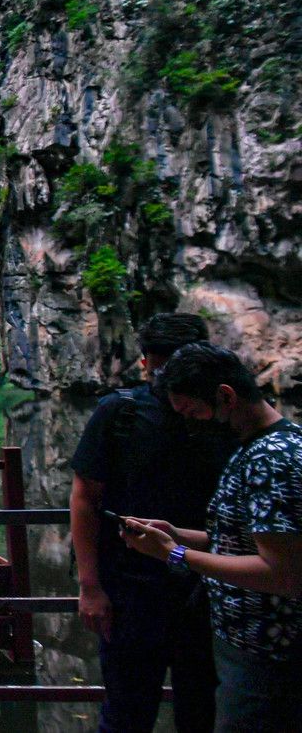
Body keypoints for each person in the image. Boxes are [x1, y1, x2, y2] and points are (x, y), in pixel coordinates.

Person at [123, 343, 302, 733]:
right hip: (244, 646)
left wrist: (176, 554)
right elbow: (243, 541)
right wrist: (174, 533)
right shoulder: (253, 448)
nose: (192, 424)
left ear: (225, 396)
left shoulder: (272, 458)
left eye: (194, 412)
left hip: (269, 655)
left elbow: (283, 573)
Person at [69, 314, 233, 733]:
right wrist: (90, 586)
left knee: (203, 712)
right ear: (145, 364)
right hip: (130, 592)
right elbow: (85, 498)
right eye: (160, 366)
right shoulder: (120, 413)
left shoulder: (223, 420)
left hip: (207, 590)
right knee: (126, 712)